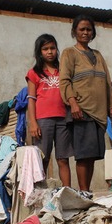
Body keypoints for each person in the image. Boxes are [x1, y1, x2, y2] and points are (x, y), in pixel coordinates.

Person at [59, 15, 112, 192]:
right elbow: (64, 81)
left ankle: (87, 190)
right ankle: (83, 191)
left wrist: (111, 106)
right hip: (81, 110)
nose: (85, 32)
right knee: (83, 156)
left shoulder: (98, 55)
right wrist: (73, 103)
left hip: (98, 113)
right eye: (81, 29)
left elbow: (106, 82)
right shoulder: (69, 53)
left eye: (88, 29)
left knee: (91, 155)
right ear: (74, 31)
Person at [26, 34, 73, 186]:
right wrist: (33, 122)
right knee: (43, 158)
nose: (50, 52)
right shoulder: (34, 73)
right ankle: (40, 193)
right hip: (43, 120)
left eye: (52, 48)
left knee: (63, 159)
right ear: (39, 52)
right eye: (45, 49)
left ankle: (68, 193)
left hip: (63, 119)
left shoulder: (63, 70)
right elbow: (31, 99)